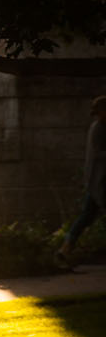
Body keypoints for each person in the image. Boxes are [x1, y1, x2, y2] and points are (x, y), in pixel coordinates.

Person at [56, 96, 106, 266]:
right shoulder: (98, 129)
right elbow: (98, 153)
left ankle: (66, 248)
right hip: (99, 181)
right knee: (86, 216)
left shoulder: (100, 127)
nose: (99, 116)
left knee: (86, 216)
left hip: (98, 181)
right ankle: (66, 247)